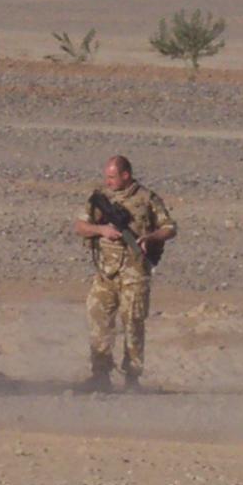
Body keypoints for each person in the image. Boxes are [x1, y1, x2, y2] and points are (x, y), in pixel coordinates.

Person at [72, 154, 177, 391]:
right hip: (106, 273)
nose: (107, 181)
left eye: (112, 177)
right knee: (98, 320)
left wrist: (150, 237)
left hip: (135, 273)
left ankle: (132, 378)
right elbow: (80, 226)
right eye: (106, 177)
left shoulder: (147, 199)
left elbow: (170, 228)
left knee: (133, 324)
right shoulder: (100, 198)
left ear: (126, 175)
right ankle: (100, 375)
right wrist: (101, 230)